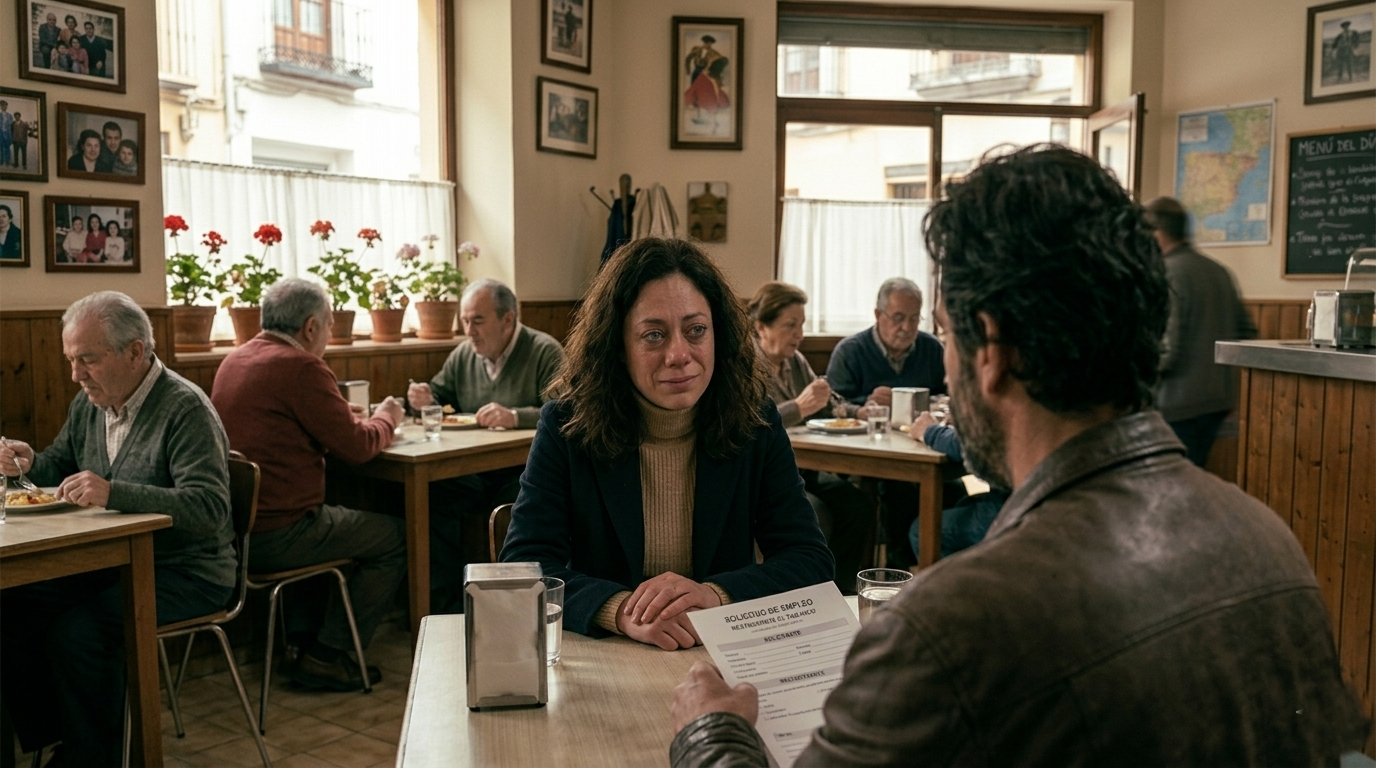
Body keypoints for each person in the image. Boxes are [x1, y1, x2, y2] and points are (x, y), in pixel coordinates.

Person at [667, 145, 1370, 766]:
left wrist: (712, 734)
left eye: (945, 332)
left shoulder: (954, 625)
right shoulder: (1267, 538)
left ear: (991, 350)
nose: (944, 372)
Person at [501, 238, 834, 649]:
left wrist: (714, 596)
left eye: (696, 331)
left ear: (719, 334)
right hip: (605, 655)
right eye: (654, 335)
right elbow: (523, 567)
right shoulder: (567, 425)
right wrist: (622, 610)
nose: (679, 354)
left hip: (718, 653)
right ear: (618, 347)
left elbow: (809, 560)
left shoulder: (756, 421)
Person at [0, 292, 236, 767]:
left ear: (135, 351)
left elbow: (209, 508)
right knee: (11, 607)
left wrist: (115, 492)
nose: (75, 374)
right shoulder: (91, 403)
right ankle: (64, 738)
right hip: (109, 561)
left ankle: (93, 758)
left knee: (80, 633)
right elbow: (62, 468)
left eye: (87, 359)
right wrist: (27, 465)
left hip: (187, 570)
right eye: (71, 360)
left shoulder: (184, 408)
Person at [212, 279, 408, 689]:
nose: (331, 334)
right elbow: (359, 446)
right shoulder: (301, 367)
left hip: (237, 534)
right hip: (280, 534)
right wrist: (389, 415)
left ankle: (299, 646)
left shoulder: (237, 359)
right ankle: (328, 655)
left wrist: (336, 410)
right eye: (331, 324)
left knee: (330, 519)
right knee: (393, 537)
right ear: (310, 328)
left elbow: (286, 421)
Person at [406, 278, 564, 608]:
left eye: (477, 320)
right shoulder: (465, 355)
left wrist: (515, 416)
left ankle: (509, 610)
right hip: (472, 472)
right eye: (464, 321)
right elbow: (441, 395)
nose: (469, 331)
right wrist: (423, 398)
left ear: (508, 320)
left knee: (520, 510)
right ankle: (444, 606)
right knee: (435, 500)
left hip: (523, 470)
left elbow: (567, 412)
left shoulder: (543, 351)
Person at [747, 281, 872, 594]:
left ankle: (842, 593)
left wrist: (858, 412)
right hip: (765, 477)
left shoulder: (795, 361)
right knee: (812, 513)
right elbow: (751, 419)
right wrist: (798, 407)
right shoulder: (744, 366)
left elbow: (829, 399)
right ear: (761, 327)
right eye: (790, 325)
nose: (798, 334)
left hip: (807, 468)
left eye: (801, 325)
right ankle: (806, 597)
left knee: (856, 504)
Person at [827, 277, 947, 568]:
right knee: (897, 489)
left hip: (921, 452)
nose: (906, 327)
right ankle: (892, 573)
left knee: (948, 491)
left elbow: (949, 397)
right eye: (897, 318)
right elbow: (831, 405)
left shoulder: (932, 349)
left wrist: (927, 405)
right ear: (878, 315)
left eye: (913, 318)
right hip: (865, 456)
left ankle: (919, 575)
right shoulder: (851, 351)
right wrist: (863, 408)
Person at [1145, 196, 1257, 467]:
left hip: (1176, 405)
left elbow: (1167, 352)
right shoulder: (1219, 271)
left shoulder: (1168, 272)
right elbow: (1248, 332)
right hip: (1218, 401)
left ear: (1157, 234)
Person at [905, 410, 1009, 560]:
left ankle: (959, 582)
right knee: (961, 500)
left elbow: (975, 448)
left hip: (1015, 509)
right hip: (1032, 501)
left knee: (922, 530)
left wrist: (929, 431)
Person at [0, 100, 11, 167]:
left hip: (7, 134)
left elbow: (11, 126)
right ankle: (1, 160)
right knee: (1, 147)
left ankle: (7, 161)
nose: (4, 107)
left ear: (7, 106)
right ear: (0, 107)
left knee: (7, 148)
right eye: (2, 105)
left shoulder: (10, 116)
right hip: (0, 134)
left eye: (5, 105)